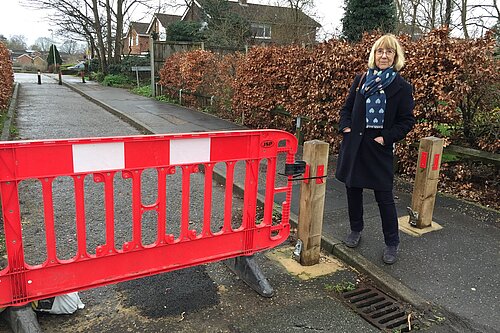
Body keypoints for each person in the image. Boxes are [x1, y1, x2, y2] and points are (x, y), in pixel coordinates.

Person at [335, 34, 415, 264]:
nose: (384, 56)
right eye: (380, 51)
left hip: (378, 145)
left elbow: (406, 121)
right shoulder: (361, 79)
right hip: (356, 144)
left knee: (384, 196)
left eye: (389, 52)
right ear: (374, 54)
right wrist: (346, 128)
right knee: (353, 190)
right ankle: (355, 229)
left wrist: (386, 138)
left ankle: (392, 242)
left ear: (395, 56)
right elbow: (347, 108)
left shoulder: (402, 87)